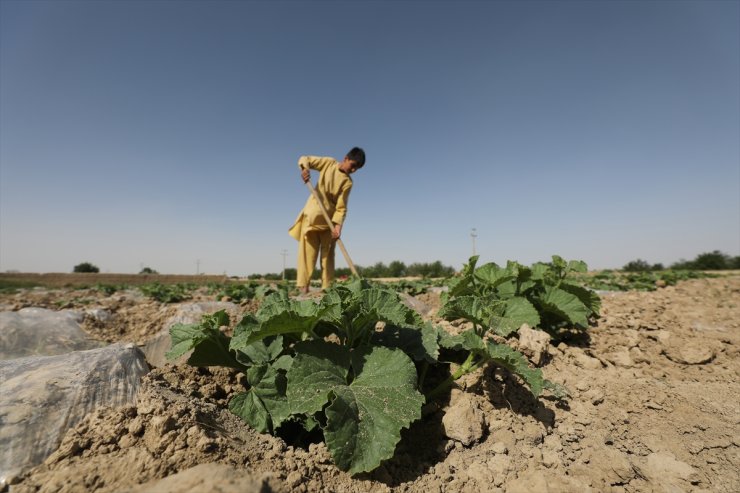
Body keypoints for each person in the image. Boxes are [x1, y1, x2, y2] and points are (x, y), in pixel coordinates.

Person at [288, 147, 366, 294]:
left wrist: (338, 227)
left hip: (329, 223)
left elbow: (341, 207)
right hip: (312, 216)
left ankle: (327, 289)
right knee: (307, 254)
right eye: (353, 165)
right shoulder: (328, 163)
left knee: (328, 257)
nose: (354, 170)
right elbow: (306, 158)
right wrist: (304, 170)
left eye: (357, 168)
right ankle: (304, 288)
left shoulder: (348, 183)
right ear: (346, 159)